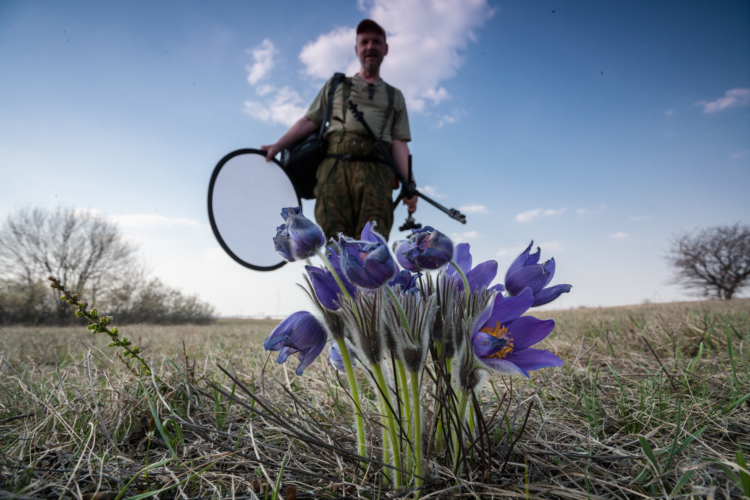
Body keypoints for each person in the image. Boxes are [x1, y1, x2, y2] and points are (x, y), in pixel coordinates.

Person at [261, 19, 417, 242]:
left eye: (376, 42)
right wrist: (278, 145)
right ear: (356, 49)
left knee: (372, 244)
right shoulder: (336, 85)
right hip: (334, 171)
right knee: (336, 242)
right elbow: (310, 121)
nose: (370, 46)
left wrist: (409, 183)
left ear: (385, 49)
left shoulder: (395, 96)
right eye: (364, 42)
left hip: (378, 175)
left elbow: (400, 142)